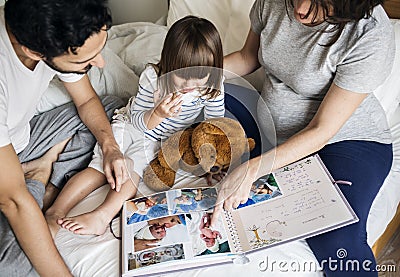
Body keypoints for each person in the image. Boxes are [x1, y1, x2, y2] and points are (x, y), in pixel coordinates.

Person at [213, 0, 394, 276]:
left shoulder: (370, 32)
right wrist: (198, 75)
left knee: (335, 237)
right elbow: (249, 56)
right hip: (272, 129)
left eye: (322, 4)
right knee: (201, 106)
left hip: (345, 141)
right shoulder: (273, 3)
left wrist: (252, 168)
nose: (300, 8)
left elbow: (322, 130)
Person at [46, 15, 225, 236]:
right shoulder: (153, 78)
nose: (190, 85)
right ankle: (55, 211)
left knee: (132, 169)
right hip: (131, 125)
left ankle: (102, 215)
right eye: (181, 76)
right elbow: (138, 120)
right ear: (169, 63)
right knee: (100, 167)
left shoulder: (213, 86)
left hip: (159, 141)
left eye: (200, 77)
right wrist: (157, 113)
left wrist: (212, 160)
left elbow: (213, 125)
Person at [0, 0, 129, 276]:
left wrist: (110, 148)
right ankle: (39, 178)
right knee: (10, 266)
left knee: (114, 110)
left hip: (24, 139)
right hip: (6, 173)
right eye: (85, 61)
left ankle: (42, 173)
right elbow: (12, 202)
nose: (101, 63)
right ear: (33, 51)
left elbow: (87, 102)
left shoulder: (52, 23)